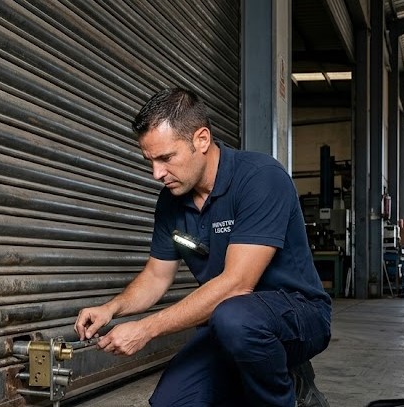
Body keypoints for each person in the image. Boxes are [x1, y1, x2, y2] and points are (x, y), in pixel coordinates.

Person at [74, 88, 331, 406]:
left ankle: (291, 394)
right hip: (228, 324)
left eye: (166, 158)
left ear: (202, 139)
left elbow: (237, 285)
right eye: (150, 161)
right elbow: (156, 276)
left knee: (235, 319)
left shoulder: (260, 178)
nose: (157, 174)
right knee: (170, 402)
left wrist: (146, 329)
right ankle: (253, 374)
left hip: (299, 315)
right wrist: (111, 308)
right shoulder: (170, 202)